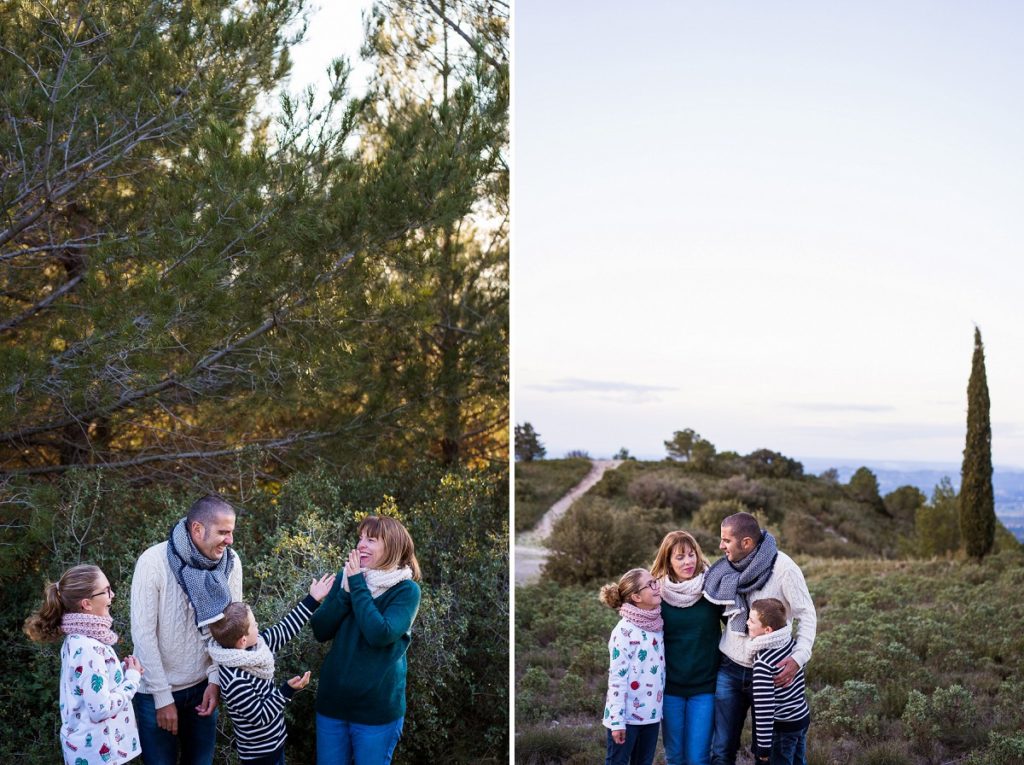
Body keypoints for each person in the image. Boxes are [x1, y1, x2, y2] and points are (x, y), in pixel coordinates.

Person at [130, 495, 243, 765]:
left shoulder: (231, 562)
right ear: (197, 529)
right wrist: (162, 698)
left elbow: (230, 628)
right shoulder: (153, 561)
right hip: (154, 692)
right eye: (223, 532)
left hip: (203, 689)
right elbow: (143, 635)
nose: (230, 541)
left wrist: (215, 681)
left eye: (232, 533)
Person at [703, 512, 816, 765]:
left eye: (726, 540)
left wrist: (798, 658)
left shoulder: (784, 569)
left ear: (746, 543)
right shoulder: (725, 568)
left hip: (770, 672)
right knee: (721, 751)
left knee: (768, 754)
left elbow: (807, 614)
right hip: (730, 669)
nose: (721, 546)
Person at [310, 515, 422, 765]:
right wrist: (345, 593)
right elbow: (320, 630)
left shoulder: (406, 591)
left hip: (376, 712)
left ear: (391, 546)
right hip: (332, 705)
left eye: (371, 540)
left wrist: (357, 586)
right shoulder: (346, 577)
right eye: (361, 538)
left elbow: (379, 634)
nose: (361, 545)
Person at [207, 573, 336, 765]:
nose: (258, 625)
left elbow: (285, 628)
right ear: (243, 640)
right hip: (259, 756)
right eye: (254, 624)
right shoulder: (235, 680)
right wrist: (287, 690)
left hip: (275, 743)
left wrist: (313, 599)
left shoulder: (257, 646)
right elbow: (260, 717)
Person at [24, 564, 144, 765]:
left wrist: (122, 672)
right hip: (101, 756)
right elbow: (100, 709)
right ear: (87, 604)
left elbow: (88, 687)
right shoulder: (88, 647)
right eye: (106, 590)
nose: (112, 594)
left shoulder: (78, 639)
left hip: (92, 754)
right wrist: (132, 680)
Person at [650, 531, 723, 765]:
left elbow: (737, 625)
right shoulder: (656, 594)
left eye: (692, 555)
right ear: (667, 561)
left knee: (698, 758)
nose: (688, 562)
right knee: (675, 757)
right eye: (680, 557)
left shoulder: (712, 589)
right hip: (669, 688)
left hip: (705, 688)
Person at [599, 567, 666, 765]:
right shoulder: (624, 631)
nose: (657, 587)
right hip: (625, 719)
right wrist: (617, 722)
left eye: (656, 581)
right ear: (636, 596)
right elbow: (617, 680)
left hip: (651, 716)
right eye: (650, 584)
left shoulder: (657, 625)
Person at [746, 598, 810, 765]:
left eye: (752, 621)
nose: (747, 622)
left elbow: (764, 711)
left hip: (782, 728)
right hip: (801, 719)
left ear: (767, 630)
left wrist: (763, 750)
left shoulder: (763, 663)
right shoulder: (791, 645)